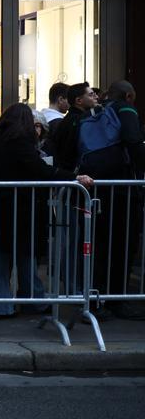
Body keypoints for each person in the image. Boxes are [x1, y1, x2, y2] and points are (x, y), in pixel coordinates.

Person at [0, 103, 93, 319]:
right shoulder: (20, 143)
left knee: (2, 258)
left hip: (0, 208)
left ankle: (1, 304)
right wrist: (72, 176)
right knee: (26, 255)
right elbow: (40, 170)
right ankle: (32, 300)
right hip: (21, 209)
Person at [81, 81, 145, 320]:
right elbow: (133, 142)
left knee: (98, 245)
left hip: (96, 187)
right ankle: (117, 300)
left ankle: (96, 299)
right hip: (121, 190)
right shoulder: (125, 110)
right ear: (129, 95)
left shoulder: (95, 112)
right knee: (123, 245)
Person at [52, 82, 98, 172]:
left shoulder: (72, 119)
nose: (96, 97)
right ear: (79, 101)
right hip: (74, 174)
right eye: (91, 95)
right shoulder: (78, 121)